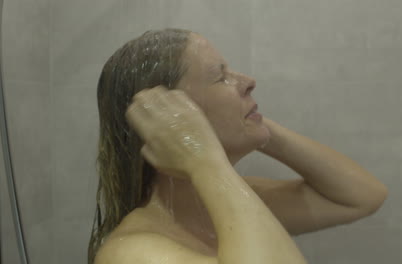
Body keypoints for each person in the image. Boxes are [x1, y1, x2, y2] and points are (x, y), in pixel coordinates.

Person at [89, 28, 309, 264]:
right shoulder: (131, 254)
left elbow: (351, 196)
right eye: (220, 77)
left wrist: (256, 123)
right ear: (170, 116)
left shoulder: (225, 208)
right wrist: (204, 160)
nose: (249, 82)